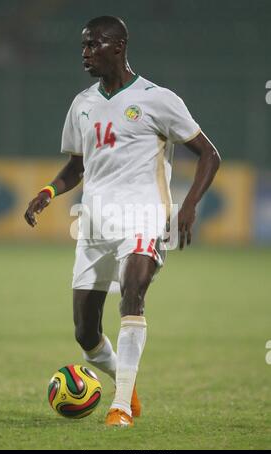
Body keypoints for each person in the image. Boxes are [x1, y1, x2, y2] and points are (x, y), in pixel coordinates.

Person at [24, 15, 221, 427]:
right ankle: (125, 384)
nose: (85, 53)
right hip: (93, 224)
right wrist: (47, 192)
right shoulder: (82, 104)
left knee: (133, 292)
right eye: (83, 46)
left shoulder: (157, 99)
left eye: (93, 45)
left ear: (118, 46)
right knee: (85, 333)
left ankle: (119, 406)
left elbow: (209, 154)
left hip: (144, 216)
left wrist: (188, 206)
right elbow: (77, 166)